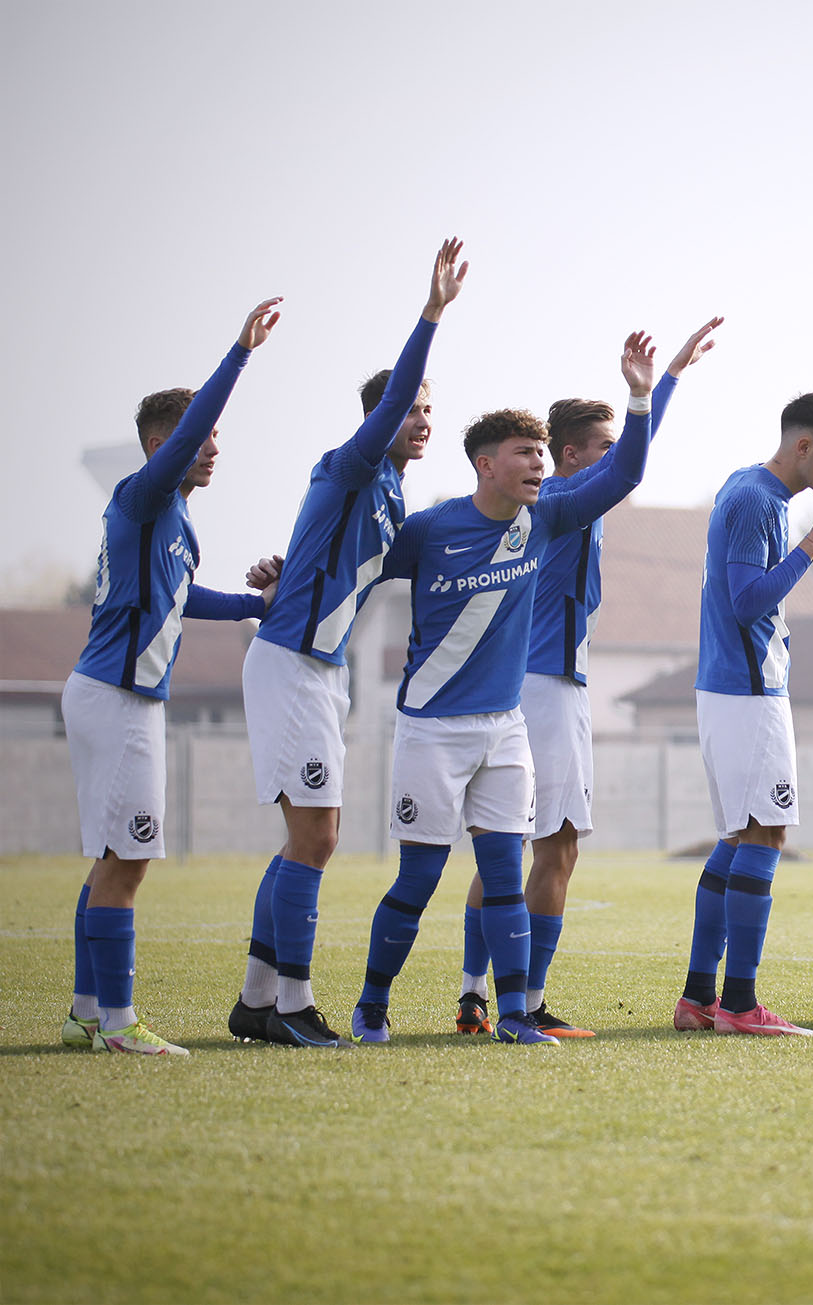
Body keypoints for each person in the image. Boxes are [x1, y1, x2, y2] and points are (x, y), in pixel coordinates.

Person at [350, 332, 659, 1046]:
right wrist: (280, 578)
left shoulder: (545, 519)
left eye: (544, 454)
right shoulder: (429, 529)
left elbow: (624, 474)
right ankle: (371, 1004)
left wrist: (641, 396)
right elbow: (356, 566)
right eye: (525, 453)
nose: (540, 465)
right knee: (419, 878)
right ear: (485, 465)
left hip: (505, 728)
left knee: (502, 869)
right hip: (430, 728)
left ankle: (514, 1013)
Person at [454, 317, 723, 1040]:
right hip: (549, 689)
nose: (620, 453)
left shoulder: (543, 503)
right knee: (558, 845)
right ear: (570, 455)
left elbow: (632, 452)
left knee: (507, 846)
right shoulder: (564, 505)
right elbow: (630, 463)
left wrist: (665, 382)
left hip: (525, 684)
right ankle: (529, 1000)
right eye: (603, 445)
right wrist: (650, 391)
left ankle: (476, 994)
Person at [229, 239, 466, 1049]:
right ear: (379, 417)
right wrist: (431, 312)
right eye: (413, 408)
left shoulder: (391, 490)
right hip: (293, 664)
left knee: (307, 838)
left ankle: (259, 999)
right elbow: (392, 395)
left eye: (430, 410)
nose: (423, 420)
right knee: (320, 837)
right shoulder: (358, 462)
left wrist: (284, 571)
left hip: (317, 669)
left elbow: (340, 560)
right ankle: (292, 1004)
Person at [61, 297, 284, 1056]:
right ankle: (119, 1024)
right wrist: (240, 353)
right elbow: (188, 431)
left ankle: (86, 1014)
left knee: (111, 859)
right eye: (202, 435)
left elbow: (184, 599)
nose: (214, 447)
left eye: (216, 435)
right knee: (129, 861)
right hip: (118, 699)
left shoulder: (174, 517)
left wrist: (256, 603)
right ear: (163, 446)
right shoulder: (144, 492)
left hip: (115, 696)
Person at [673, 394, 813, 1037]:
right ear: (803, 446)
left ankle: (700, 998)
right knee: (766, 834)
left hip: (733, 688)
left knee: (739, 837)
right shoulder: (756, 499)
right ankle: (739, 1003)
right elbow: (747, 601)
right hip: (747, 691)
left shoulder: (750, 488)